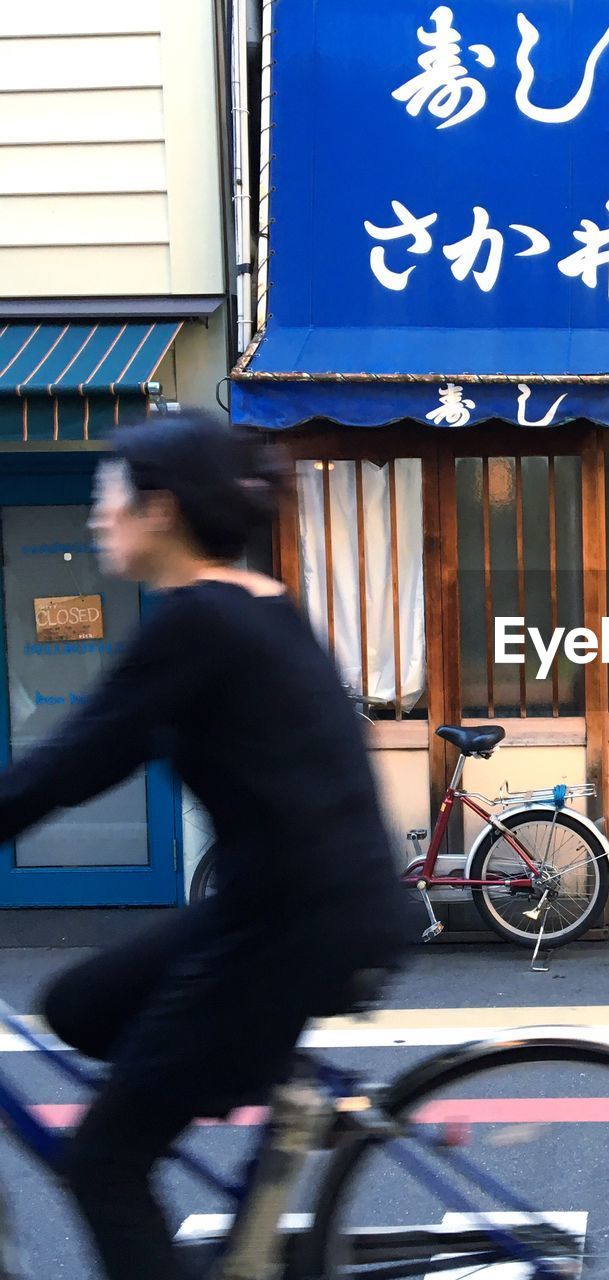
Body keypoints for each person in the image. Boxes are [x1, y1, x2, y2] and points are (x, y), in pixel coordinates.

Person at [0, 411, 411, 1279]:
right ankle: (262, 1073)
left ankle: (250, 1065)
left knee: (103, 1165)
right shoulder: (256, 604)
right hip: (304, 904)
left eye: (105, 495)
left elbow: (72, 762)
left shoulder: (198, 623)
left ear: (161, 510)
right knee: (79, 1004)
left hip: (290, 925)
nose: (94, 515)